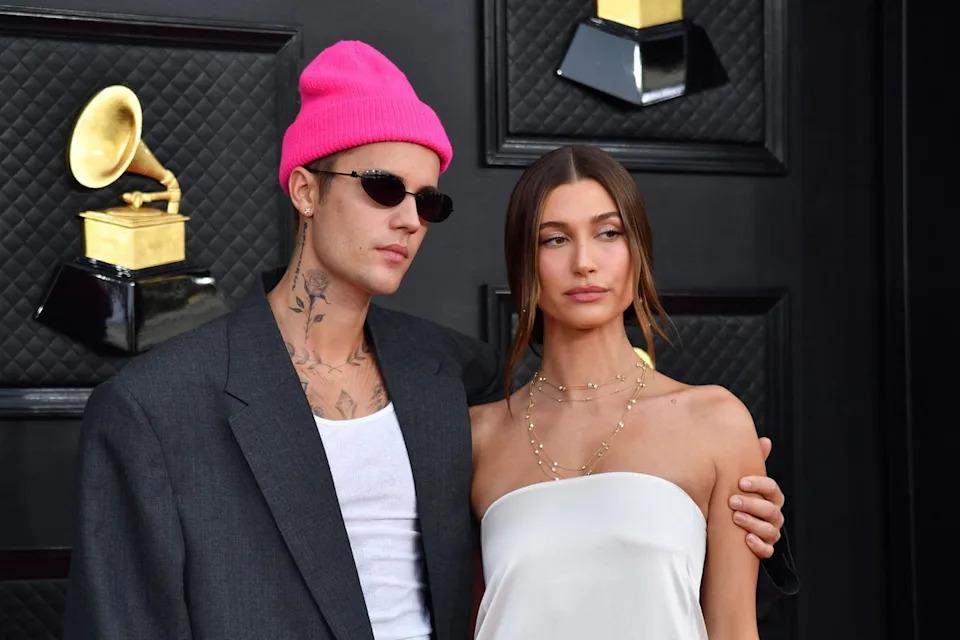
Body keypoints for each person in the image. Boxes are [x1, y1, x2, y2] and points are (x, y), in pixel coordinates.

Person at [62, 41, 794, 640]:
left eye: (428, 200)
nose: (410, 218)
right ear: (306, 189)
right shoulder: (156, 409)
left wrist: (743, 510)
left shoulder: (456, 377)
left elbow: (589, 518)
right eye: (383, 187)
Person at [470, 144, 777, 639]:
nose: (584, 262)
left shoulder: (715, 422)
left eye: (608, 233)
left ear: (639, 252)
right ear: (523, 264)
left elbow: (735, 630)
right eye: (554, 240)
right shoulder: (477, 439)